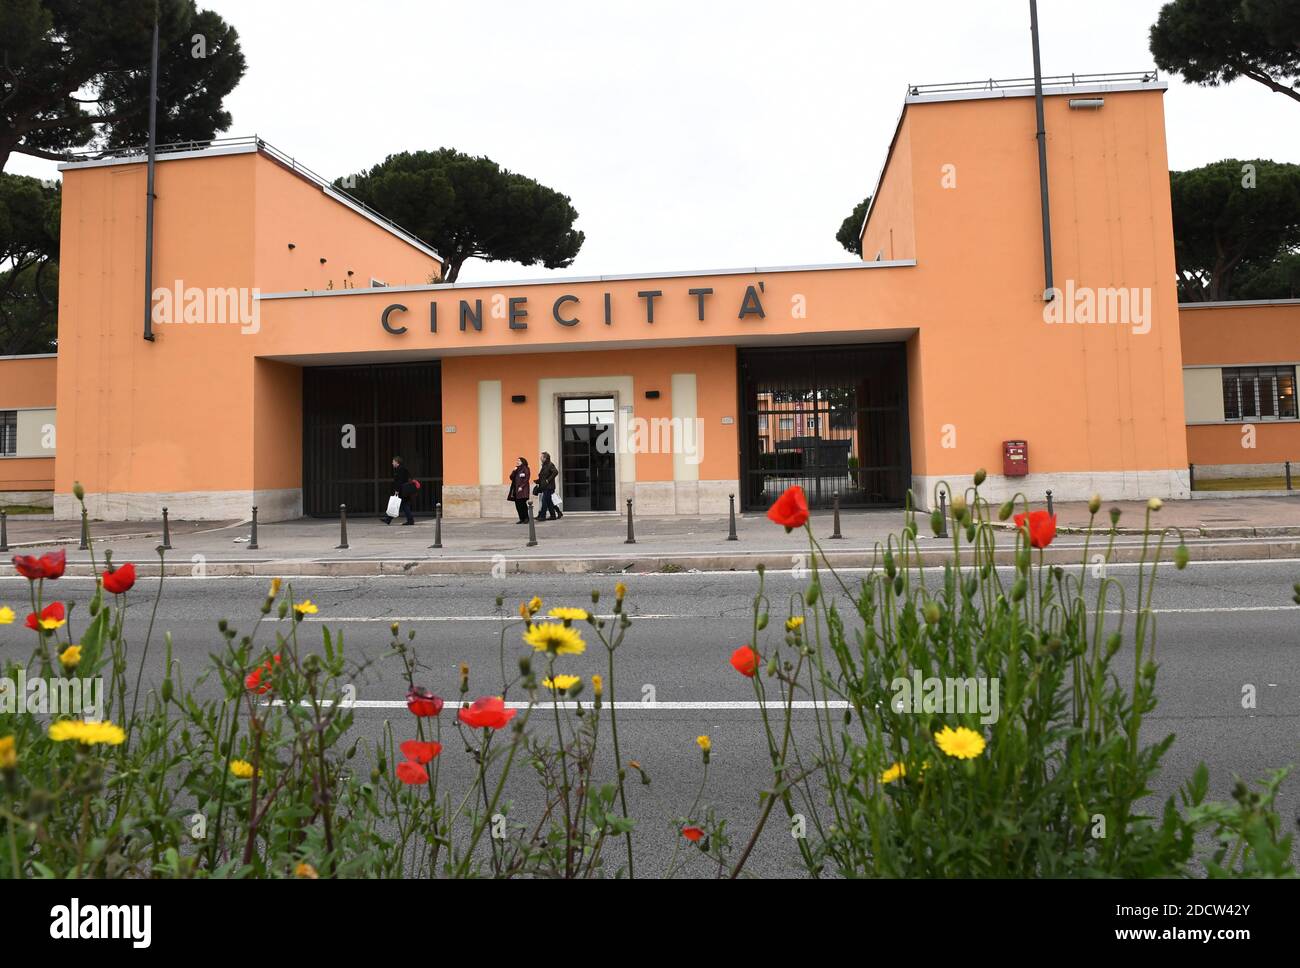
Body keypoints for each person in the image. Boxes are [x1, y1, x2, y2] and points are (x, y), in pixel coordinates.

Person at [381, 455, 417, 526]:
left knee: (401, 505)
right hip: (404, 491)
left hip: (402, 491)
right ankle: (389, 519)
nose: (392, 463)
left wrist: (397, 490)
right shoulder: (402, 469)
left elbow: (399, 481)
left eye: (393, 462)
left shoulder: (400, 470)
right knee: (400, 505)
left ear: (397, 462)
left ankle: (409, 520)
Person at [535, 451, 562, 521]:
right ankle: (554, 515)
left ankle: (542, 516)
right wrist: (538, 481)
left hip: (549, 487)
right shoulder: (544, 465)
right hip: (545, 486)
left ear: (545, 458)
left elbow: (555, 472)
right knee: (549, 501)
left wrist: (548, 480)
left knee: (544, 501)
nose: (540, 458)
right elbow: (543, 476)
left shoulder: (550, 464)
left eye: (541, 456)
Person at [508, 457, 531, 523]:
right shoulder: (516, 469)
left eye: (519, 461)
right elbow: (511, 477)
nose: (517, 462)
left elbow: (526, 479)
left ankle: (526, 518)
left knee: (523, 504)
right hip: (515, 489)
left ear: (522, 462)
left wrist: (521, 486)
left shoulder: (526, 468)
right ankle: (521, 518)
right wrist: (514, 470)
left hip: (523, 490)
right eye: (517, 461)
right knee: (517, 505)